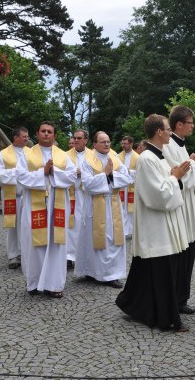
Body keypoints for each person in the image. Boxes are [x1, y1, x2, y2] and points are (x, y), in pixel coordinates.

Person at [116, 114, 191, 332]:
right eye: (168, 129)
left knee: (154, 272)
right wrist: (174, 177)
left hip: (165, 222)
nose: (170, 133)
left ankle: (135, 304)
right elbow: (157, 195)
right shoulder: (147, 158)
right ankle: (165, 318)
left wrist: (177, 175)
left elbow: (168, 181)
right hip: (156, 225)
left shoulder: (160, 156)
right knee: (161, 272)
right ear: (159, 132)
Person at [16, 121, 77, 298]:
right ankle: (34, 283)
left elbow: (72, 176)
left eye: (50, 132)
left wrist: (53, 172)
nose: (46, 134)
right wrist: (42, 172)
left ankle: (54, 284)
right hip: (34, 205)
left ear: (55, 136)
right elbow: (20, 176)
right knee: (33, 243)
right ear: (37, 133)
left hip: (56, 205)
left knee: (56, 244)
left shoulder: (63, 156)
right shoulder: (27, 155)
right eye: (43, 131)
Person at [163, 105, 195, 315]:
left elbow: (187, 173)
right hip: (179, 205)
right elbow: (177, 175)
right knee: (180, 255)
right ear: (179, 124)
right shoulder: (169, 145)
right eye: (190, 123)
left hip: (187, 203)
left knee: (189, 253)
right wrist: (194, 163)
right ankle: (176, 298)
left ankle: (182, 297)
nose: (193, 126)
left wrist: (192, 162)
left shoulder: (179, 144)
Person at [76, 131, 133, 288]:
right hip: (95, 205)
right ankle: (91, 271)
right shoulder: (87, 161)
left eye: (108, 141)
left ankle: (111, 274)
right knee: (94, 239)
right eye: (103, 142)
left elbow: (127, 178)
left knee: (113, 240)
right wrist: (106, 174)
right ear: (94, 144)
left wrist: (109, 175)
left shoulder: (114, 159)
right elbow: (87, 184)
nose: (107, 144)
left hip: (113, 202)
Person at [0, 127, 28, 270]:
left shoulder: (31, 153)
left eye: (27, 136)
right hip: (11, 196)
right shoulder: (3, 154)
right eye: (24, 136)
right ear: (15, 137)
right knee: (12, 226)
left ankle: (26, 254)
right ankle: (13, 256)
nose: (27, 139)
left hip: (28, 195)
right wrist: (19, 174)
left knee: (27, 225)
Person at [65, 129, 89, 269]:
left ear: (86, 140)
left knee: (85, 225)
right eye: (74, 138)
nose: (76, 140)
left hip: (86, 195)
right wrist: (75, 172)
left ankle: (85, 256)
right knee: (71, 226)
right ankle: (69, 256)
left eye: (79, 138)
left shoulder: (93, 155)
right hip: (71, 195)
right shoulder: (65, 155)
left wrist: (83, 173)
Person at [118, 135, 138, 240]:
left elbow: (140, 172)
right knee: (122, 209)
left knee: (131, 210)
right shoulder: (118, 156)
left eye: (125, 143)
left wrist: (129, 171)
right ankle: (124, 231)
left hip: (131, 187)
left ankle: (132, 231)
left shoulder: (137, 157)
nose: (123, 145)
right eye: (122, 143)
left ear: (131, 144)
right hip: (121, 187)